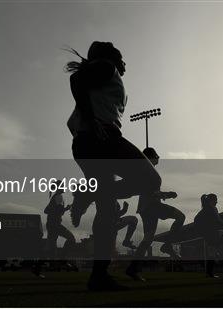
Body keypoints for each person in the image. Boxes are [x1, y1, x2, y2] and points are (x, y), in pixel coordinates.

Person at [65, 41, 161, 291]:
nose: (123, 60)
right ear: (111, 57)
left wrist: (87, 119)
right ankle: (89, 193)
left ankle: (98, 276)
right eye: (120, 55)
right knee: (151, 180)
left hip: (87, 142)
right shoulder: (106, 66)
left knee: (107, 209)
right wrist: (90, 118)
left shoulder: (107, 73)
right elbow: (76, 80)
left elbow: (81, 85)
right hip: (102, 138)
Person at [126, 147, 184, 282]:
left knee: (148, 239)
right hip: (152, 206)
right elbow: (152, 193)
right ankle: (168, 245)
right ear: (151, 157)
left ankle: (132, 269)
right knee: (180, 216)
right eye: (157, 155)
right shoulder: (148, 172)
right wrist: (168, 194)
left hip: (146, 208)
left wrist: (162, 194)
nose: (158, 158)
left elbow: (151, 191)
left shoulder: (145, 172)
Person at [193, 193, 223, 278]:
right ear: (212, 201)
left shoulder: (204, 209)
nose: (217, 202)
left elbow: (196, 219)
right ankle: (216, 253)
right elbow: (218, 220)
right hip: (211, 233)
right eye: (215, 200)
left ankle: (210, 270)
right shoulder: (212, 208)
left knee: (211, 252)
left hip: (206, 233)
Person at [44, 184, 76, 259]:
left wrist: (64, 209)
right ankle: (61, 258)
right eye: (63, 186)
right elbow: (57, 210)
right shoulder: (58, 197)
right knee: (71, 239)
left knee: (51, 246)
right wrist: (66, 208)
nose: (65, 187)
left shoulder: (55, 197)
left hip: (51, 224)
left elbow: (47, 210)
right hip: (55, 225)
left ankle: (51, 263)